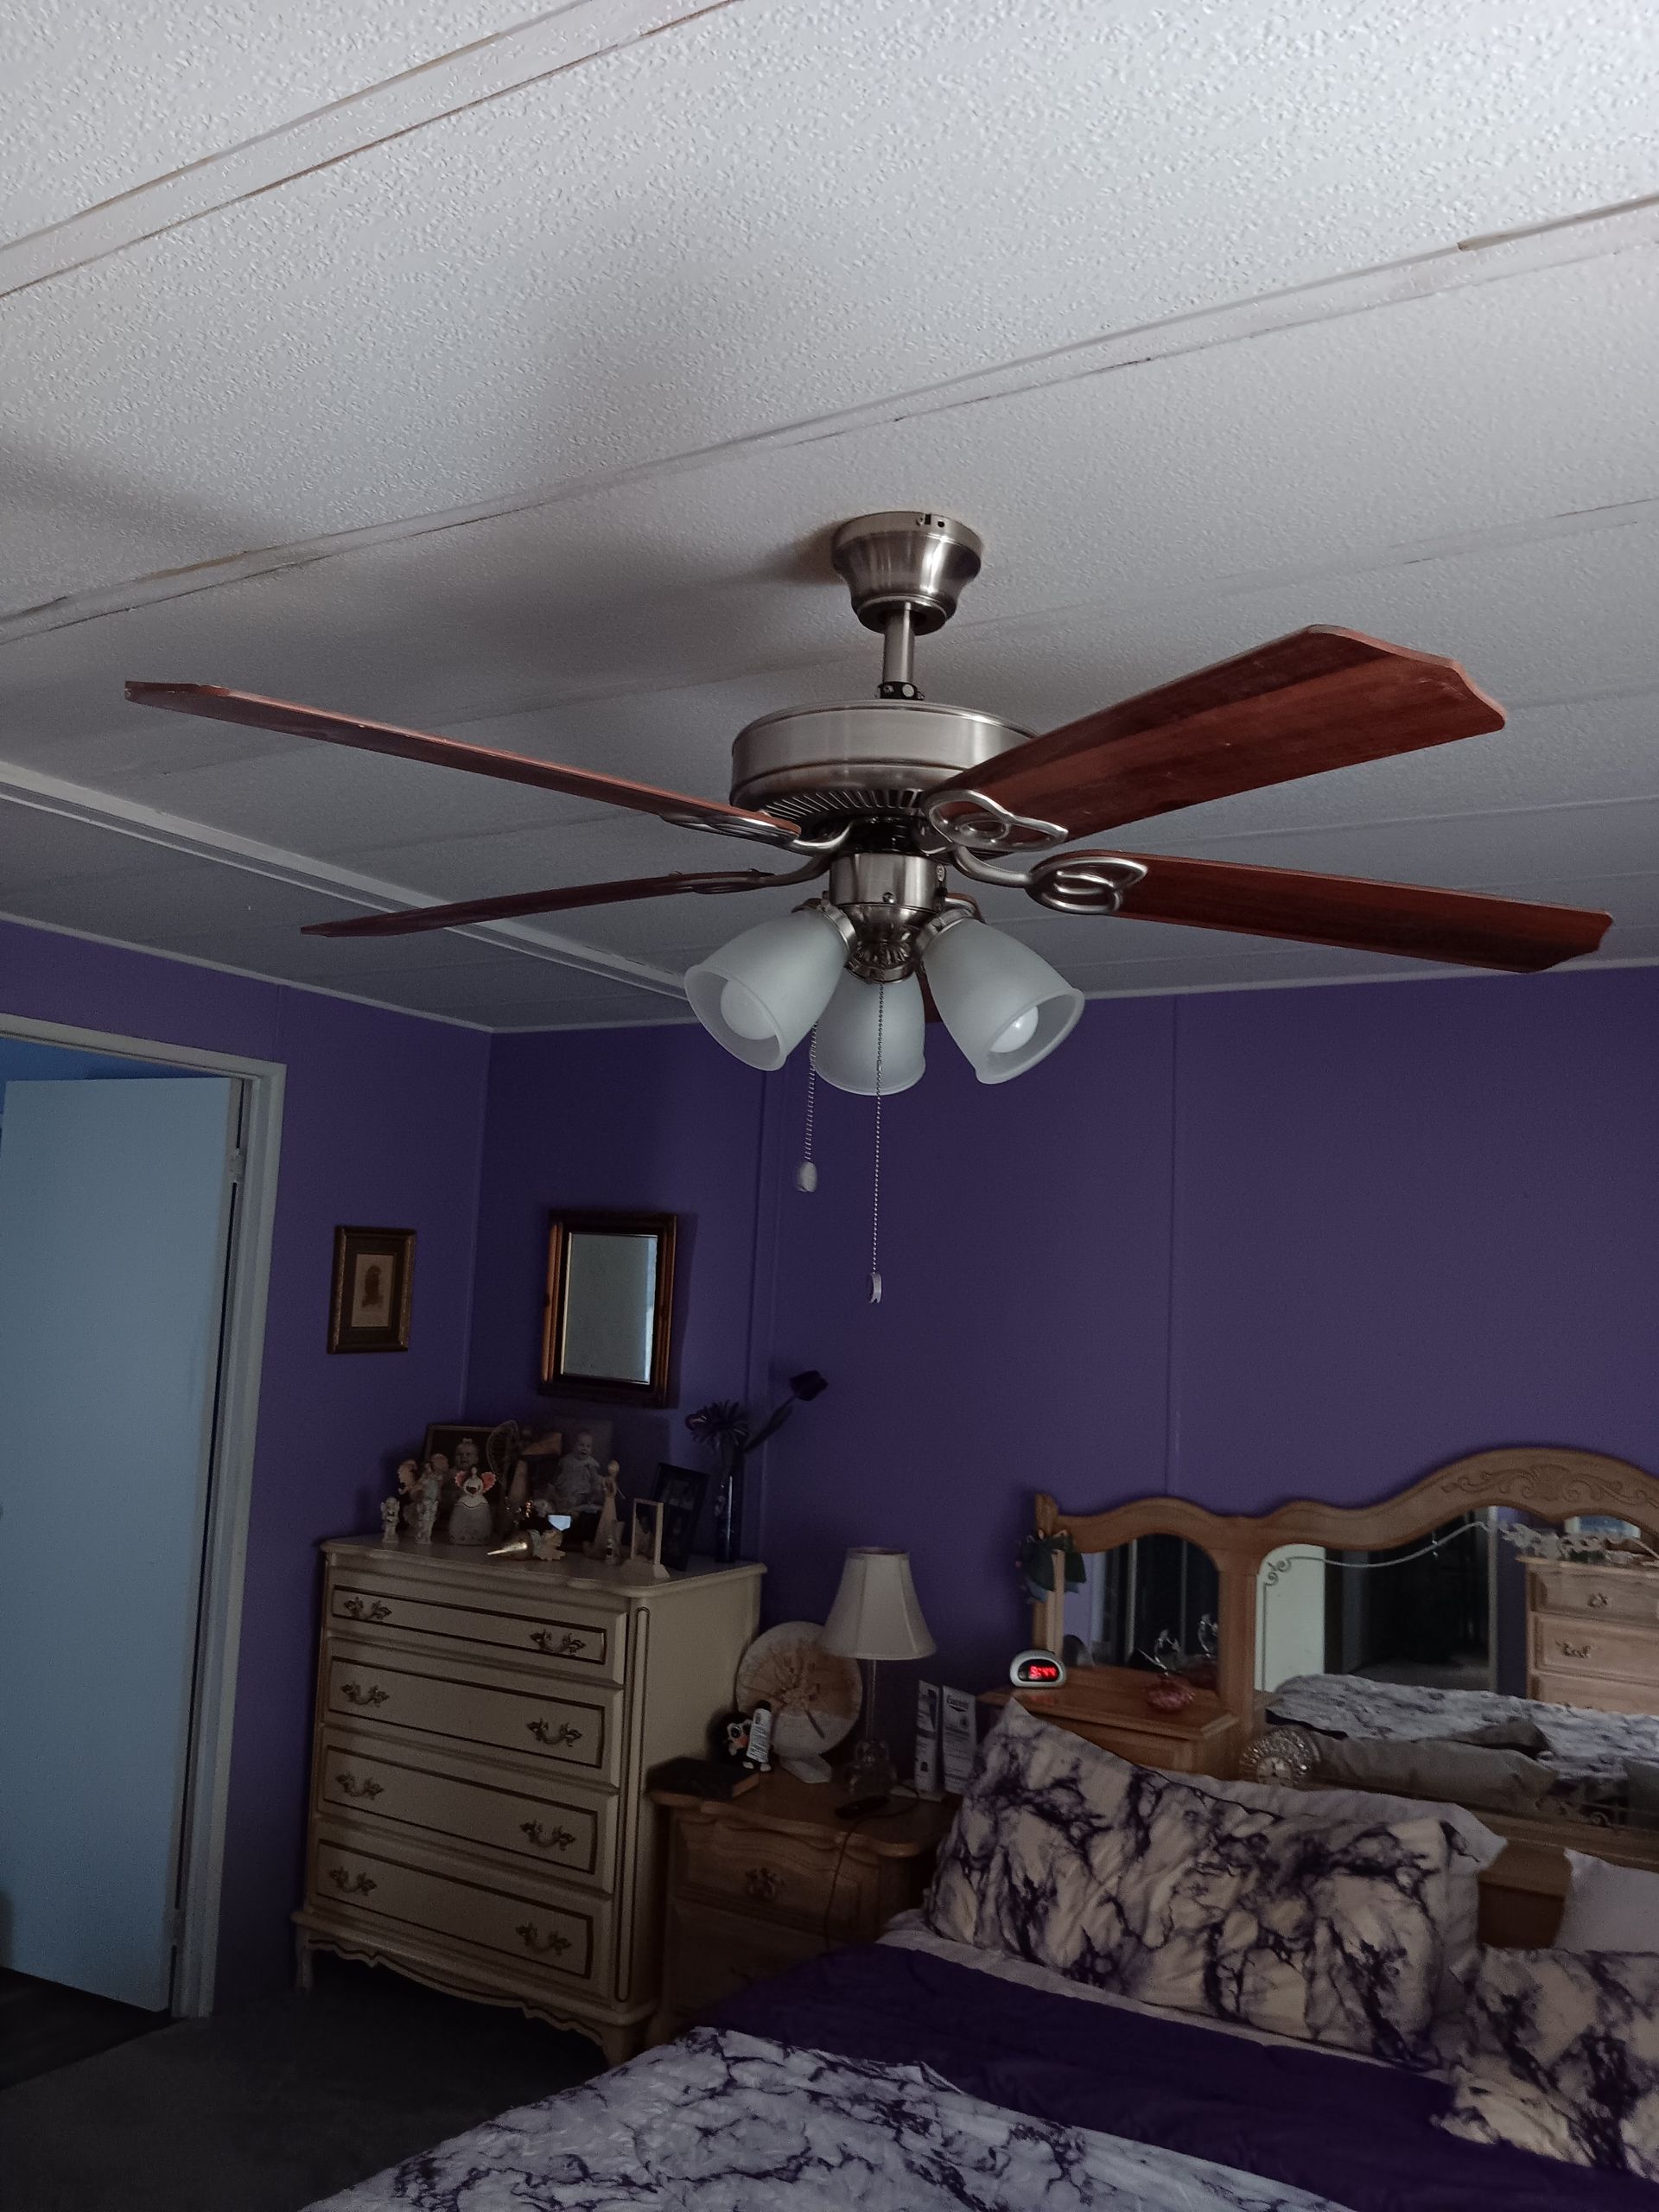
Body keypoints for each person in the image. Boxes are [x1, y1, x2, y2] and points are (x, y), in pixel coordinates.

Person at [548, 1431, 605, 1513]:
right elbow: (558, 1472)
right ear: (573, 1446)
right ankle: (558, 1504)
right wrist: (553, 1483)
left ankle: (568, 1507)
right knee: (552, 1492)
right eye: (581, 1445)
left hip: (580, 1491)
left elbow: (595, 1478)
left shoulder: (590, 1462)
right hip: (565, 1487)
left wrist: (595, 1485)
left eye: (588, 1446)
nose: (584, 1448)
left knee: (574, 1500)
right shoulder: (566, 1459)